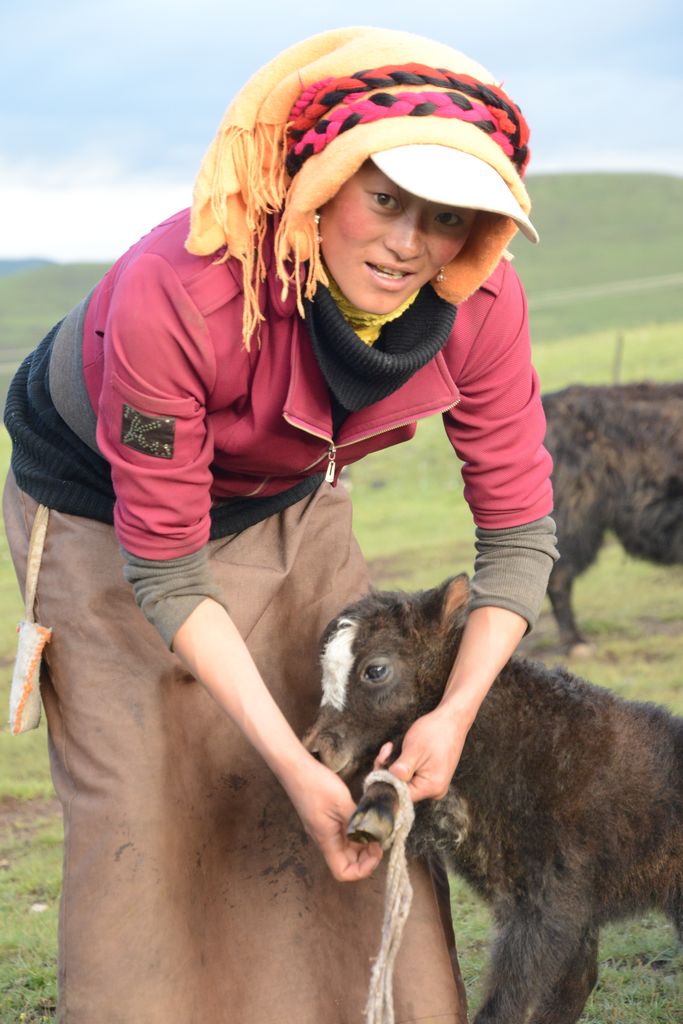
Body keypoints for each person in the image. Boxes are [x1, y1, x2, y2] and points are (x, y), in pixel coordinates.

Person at [3, 26, 557, 1024]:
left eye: (441, 217)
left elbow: (517, 531)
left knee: (347, 755)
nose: (406, 243)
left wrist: (452, 714)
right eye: (383, 200)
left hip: (291, 491)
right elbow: (169, 569)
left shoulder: (479, 301)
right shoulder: (176, 291)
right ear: (315, 182)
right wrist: (281, 760)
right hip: (105, 511)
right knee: (154, 810)